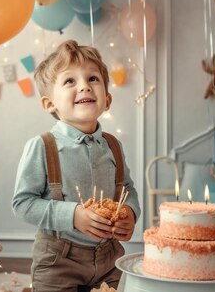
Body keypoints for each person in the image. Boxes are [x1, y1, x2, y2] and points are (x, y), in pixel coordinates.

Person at [12, 40, 141, 292]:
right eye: (69, 81)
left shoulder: (113, 146)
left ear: (107, 100)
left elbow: (127, 187)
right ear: (50, 104)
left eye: (93, 78)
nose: (84, 86)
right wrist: (73, 216)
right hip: (58, 261)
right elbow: (22, 203)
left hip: (109, 257)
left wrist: (130, 213)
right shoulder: (42, 146)